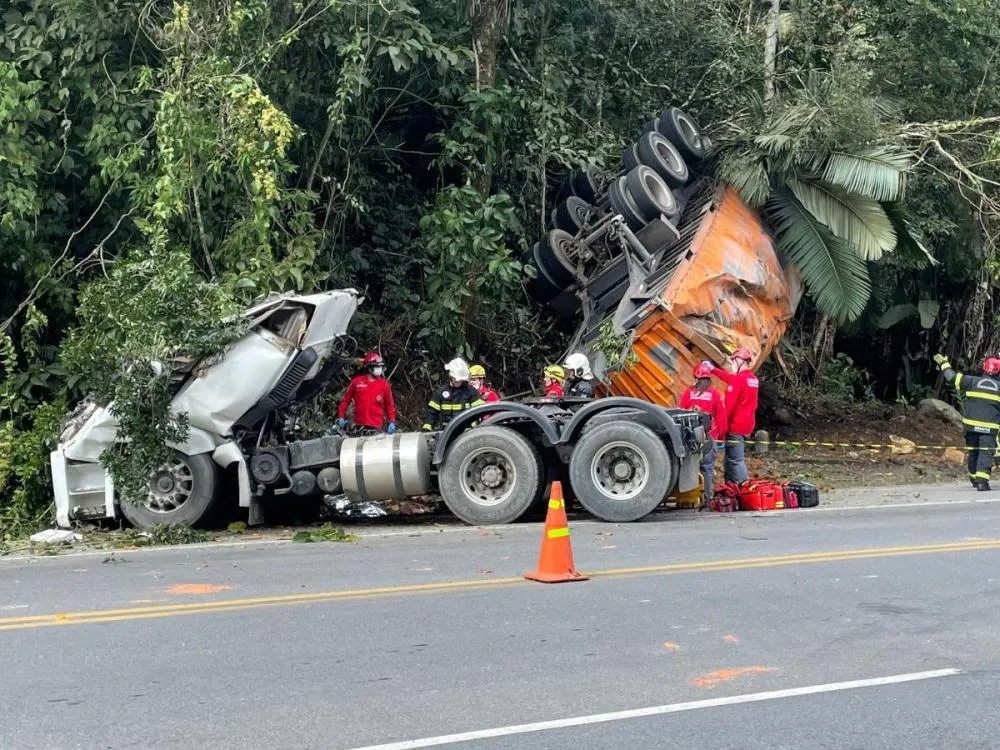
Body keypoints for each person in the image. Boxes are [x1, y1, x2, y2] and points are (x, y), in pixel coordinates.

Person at [935, 353, 1000, 490]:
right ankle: (982, 482)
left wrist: (944, 364)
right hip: (989, 428)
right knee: (985, 452)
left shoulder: (971, 381)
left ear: (984, 368)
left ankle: (974, 478)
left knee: (974, 452)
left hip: (970, 426)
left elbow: (951, 377)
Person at [708, 348, 759, 484]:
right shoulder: (752, 379)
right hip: (747, 425)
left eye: (733, 361)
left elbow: (728, 409)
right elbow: (731, 378)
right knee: (731, 458)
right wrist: (713, 369)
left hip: (736, 426)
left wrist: (720, 429)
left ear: (740, 361)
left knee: (735, 460)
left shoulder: (738, 381)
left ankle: (742, 488)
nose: (732, 365)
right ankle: (731, 488)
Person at [679, 363, 727, 499]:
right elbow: (721, 418)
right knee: (707, 468)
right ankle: (707, 496)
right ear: (709, 379)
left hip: (690, 438)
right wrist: (721, 436)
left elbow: (680, 413)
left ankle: (691, 497)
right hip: (709, 438)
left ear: (696, 378)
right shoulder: (715, 395)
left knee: (690, 467)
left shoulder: (688, 393)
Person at [336, 352, 397, 434]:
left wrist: (392, 421)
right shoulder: (356, 382)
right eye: (377, 366)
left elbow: (389, 405)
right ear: (369, 368)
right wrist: (341, 417)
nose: (379, 369)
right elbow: (345, 401)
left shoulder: (384, 385)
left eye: (380, 366)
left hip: (376, 426)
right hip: (358, 425)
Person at [422, 357, 484, 431]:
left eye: (460, 379)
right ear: (450, 376)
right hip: (446, 432)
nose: (458, 381)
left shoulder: (471, 392)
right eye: (456, 379)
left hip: (466, 432)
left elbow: (477, 413)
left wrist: (474, 427)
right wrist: (426, 429)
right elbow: (431, 413)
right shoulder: (441, 392)